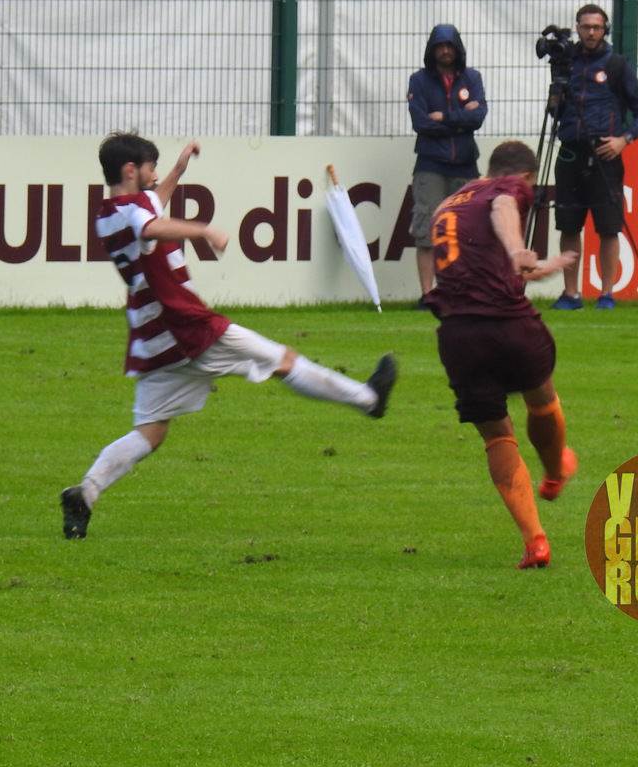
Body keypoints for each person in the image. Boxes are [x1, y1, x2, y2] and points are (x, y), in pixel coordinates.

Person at [60, 131, 397, 539]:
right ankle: (369, 399)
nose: (156, 176)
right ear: (130, 170)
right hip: (188, 329)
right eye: (151, 169)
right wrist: (204, 230)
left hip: (153, 339)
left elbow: (149, 208)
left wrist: (179, 168)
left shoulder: (108, 214)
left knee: (151, 430)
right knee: (283, 361)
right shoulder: (139, 213)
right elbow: (150, 226)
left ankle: (86, 492)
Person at [428, 140, 580, 569]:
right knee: (542, 397)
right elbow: (503, 209)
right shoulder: (508, 189)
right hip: (509, 324)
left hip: (458, 335)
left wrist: (540, 267)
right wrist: (517, 249)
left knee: (497, 434)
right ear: (524, 177)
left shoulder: (448, 204)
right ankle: (554, 473)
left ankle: (535, 542)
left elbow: (480, 266)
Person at [548, 3, 638, 310]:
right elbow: (555, 112)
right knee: (568, 225)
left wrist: (624, 139)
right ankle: (571, 294)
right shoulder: (566, 63)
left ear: (605, 30)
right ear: (577, 29)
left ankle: (607, 293)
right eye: (585, 27)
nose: (591, 32)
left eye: (596, 27)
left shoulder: (617, 65)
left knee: (608, 227)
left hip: (605, 154)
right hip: (570, 152)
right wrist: (554, 97)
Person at [407, 24, 486, 308]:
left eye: (449, 46)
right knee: (427, 231)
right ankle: (428, 295)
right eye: (439, 46)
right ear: (432, 50)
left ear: (457, 48)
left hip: (465, 165)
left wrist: (443, 117)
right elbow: (421, 123)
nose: (444, 51)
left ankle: (459, 293)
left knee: (466, 232)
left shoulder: (472, 78)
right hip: (431, 164)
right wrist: (460, 120)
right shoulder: (419, 80)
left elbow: (478, 117)